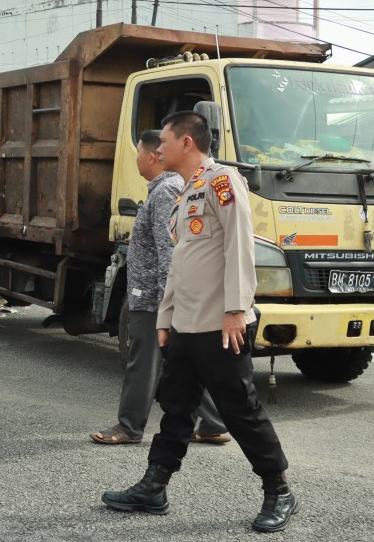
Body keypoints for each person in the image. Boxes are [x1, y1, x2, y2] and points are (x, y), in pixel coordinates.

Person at [101, 111, 296, 534]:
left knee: (240, 410)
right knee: (176, 408)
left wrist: (235, 310)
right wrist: (166, 319)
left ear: (187, 143)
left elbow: (240, 246)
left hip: (219, 323)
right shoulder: (187, 191)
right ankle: (154, 487)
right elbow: (181, 264)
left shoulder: (222, 182)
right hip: (187, 325)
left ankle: (278, 490)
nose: (159, 149)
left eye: (165, 141)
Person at [90, 130, 229, 445]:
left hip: (154, 300)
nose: (136, 157)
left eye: (138, 151)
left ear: (151, 156)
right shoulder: (168, 188)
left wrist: (170, 303)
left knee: (143, 363)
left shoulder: (167, 191)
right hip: (158, 297)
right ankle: (213, 422)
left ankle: (129, 427)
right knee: (184, 362)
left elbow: (171, 251)